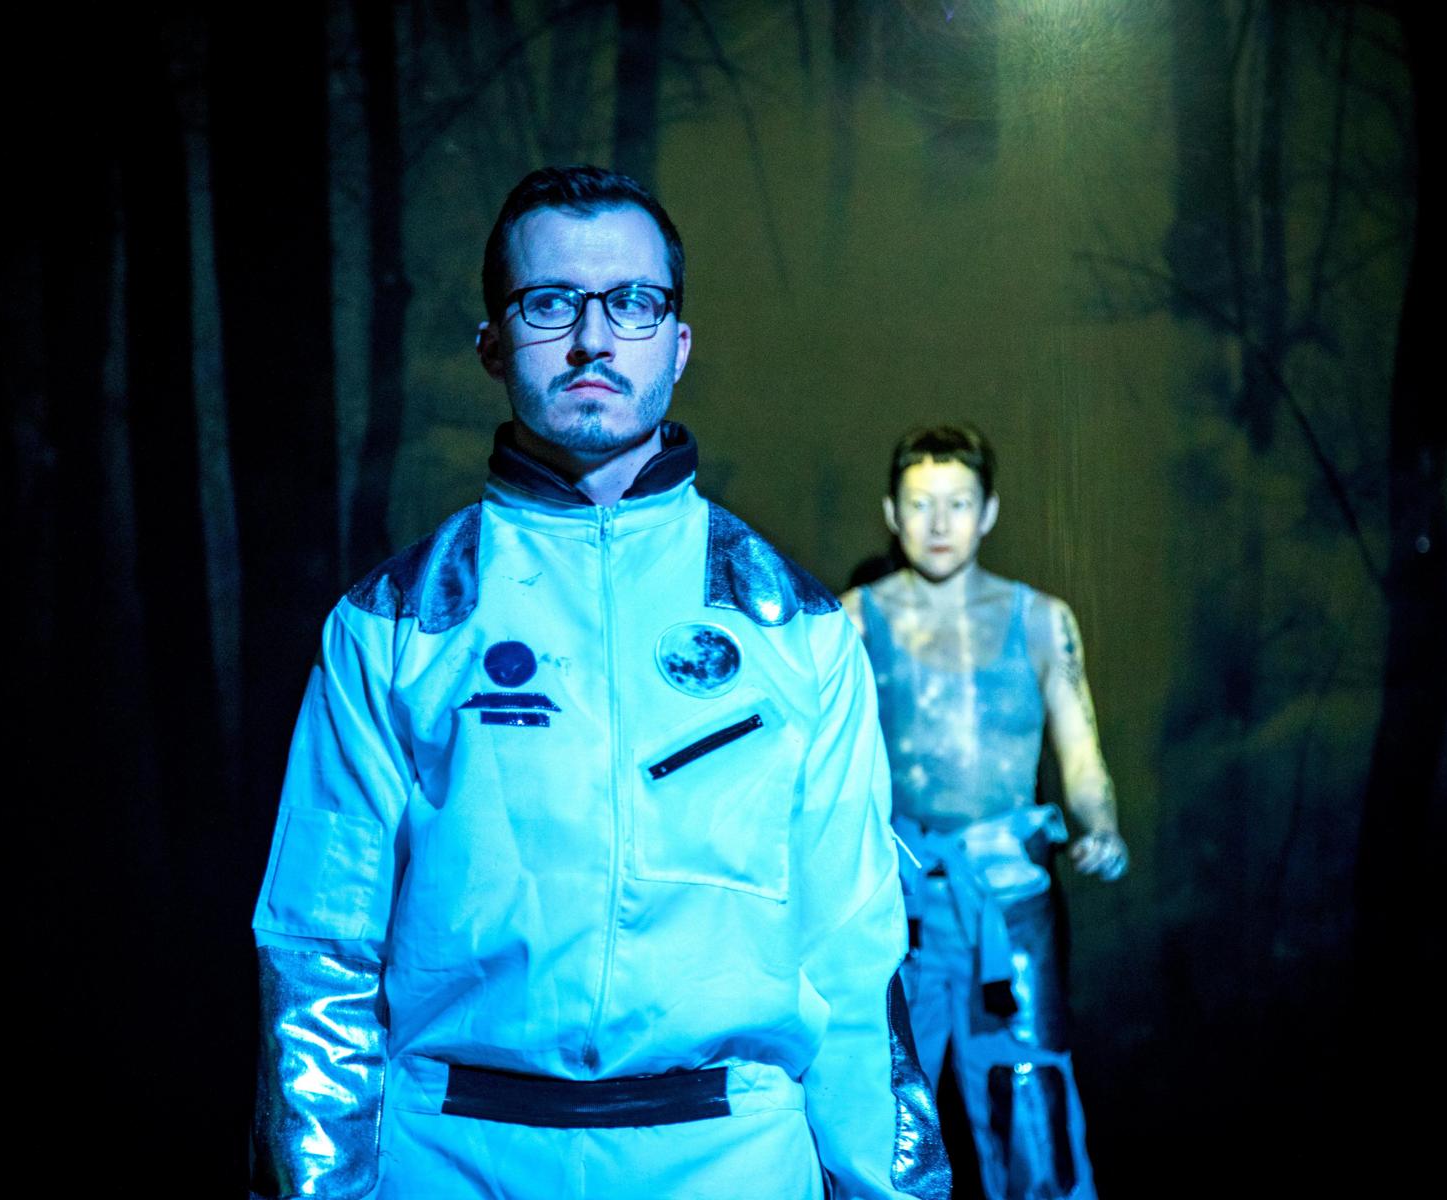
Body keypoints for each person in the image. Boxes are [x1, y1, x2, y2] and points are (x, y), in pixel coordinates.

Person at [249, 166, 951, 1200]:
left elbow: (856, 958)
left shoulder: (795, 630)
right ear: (493, 343)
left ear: (679, 342)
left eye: (633, 302)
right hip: (455, 1161)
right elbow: (321, 949)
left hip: (731, 1162)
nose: (592, 339)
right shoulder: (394, 624)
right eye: (549, 304)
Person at [840, 426, 1127, 1200]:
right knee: (882, 1109)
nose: (940, 523)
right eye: (921, 504)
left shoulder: (1042, 620)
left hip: (1008, 902)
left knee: (1030, 1100)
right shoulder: (853, 622)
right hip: (898, 905)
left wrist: (1099, 825)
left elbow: (1080, 750)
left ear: (989, 511)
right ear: (892, 513)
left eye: (958, 504)